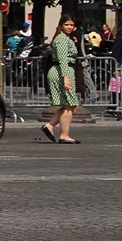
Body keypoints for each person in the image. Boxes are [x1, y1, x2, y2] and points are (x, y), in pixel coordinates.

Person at [42, 15, 81, 144]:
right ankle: (64, 135)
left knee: (68, 104)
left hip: (63, 70)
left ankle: (50, 126)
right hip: (62, 71)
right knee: (70, 104)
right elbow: (63, 60)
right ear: (61, 25)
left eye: (71, 25)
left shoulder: (65, 38)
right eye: (66, 24)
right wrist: (66, 78)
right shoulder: (62, 39)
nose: (69, 27)